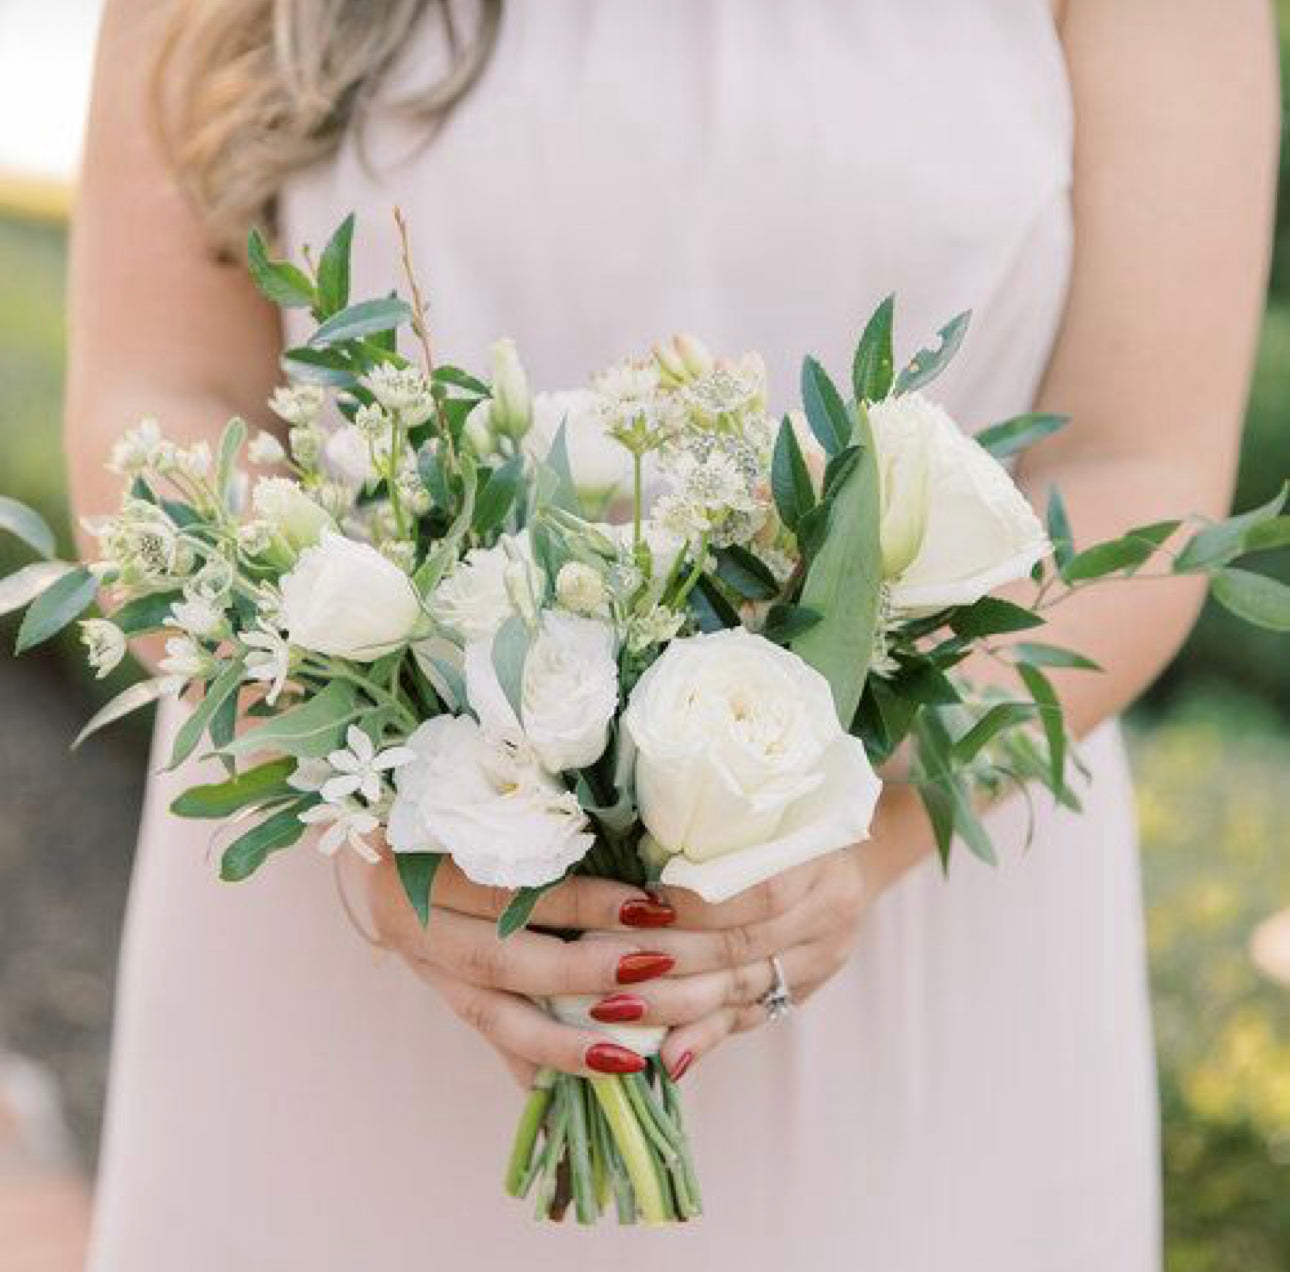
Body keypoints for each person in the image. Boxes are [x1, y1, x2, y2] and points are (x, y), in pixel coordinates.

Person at [69, 2, 1277, 1268]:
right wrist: (386, 804)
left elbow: (1138, 469)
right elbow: (158, 399)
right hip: (348, 950)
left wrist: (848, 843)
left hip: (912, 937)